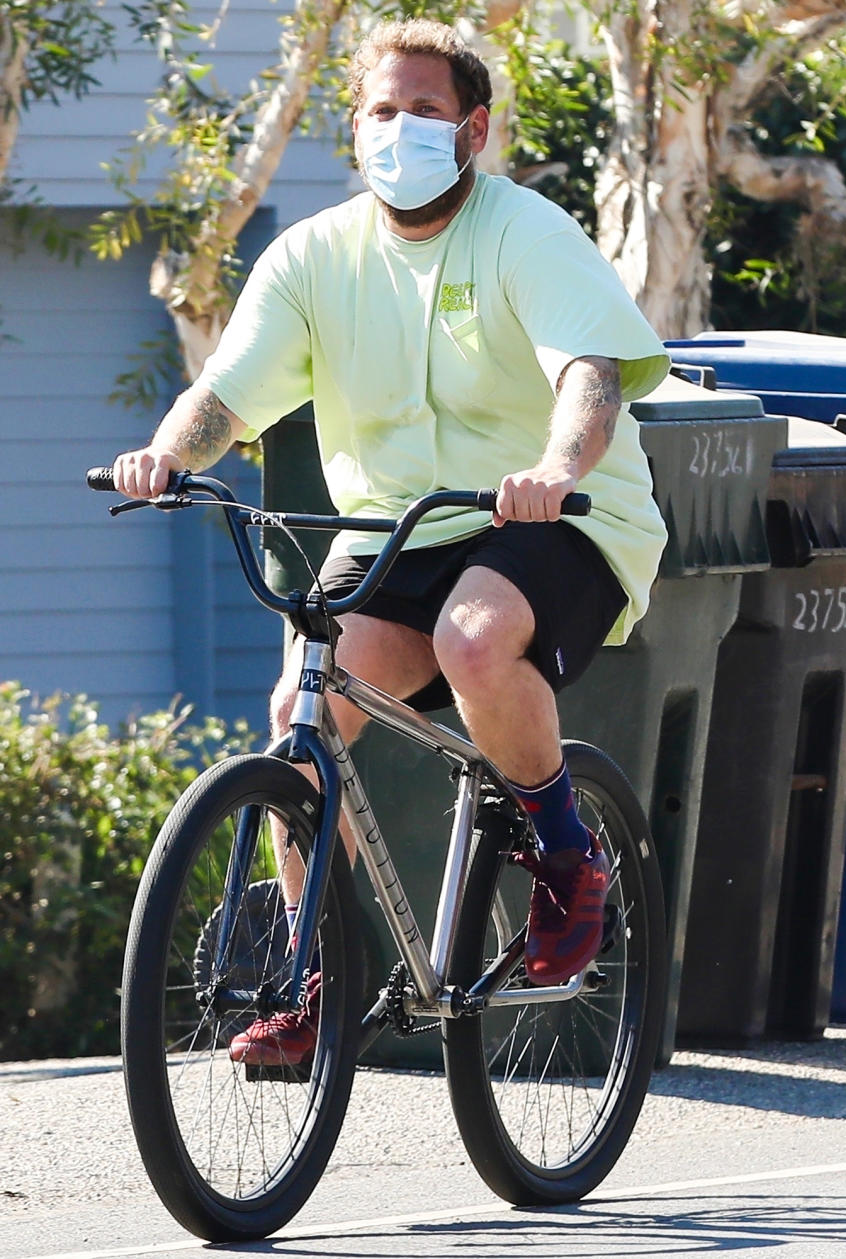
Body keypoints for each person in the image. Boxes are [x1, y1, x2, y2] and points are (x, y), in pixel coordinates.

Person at [113, 17, 670, 1067]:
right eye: (381, 111)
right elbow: (226, 396)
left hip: (554, 517)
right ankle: (320, 977)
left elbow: (589, 377)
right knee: (299, 717)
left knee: (474, 639)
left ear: (474, 131)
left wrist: (556, 467)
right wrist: (167, 454)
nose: (399, 130)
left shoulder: (528, 232)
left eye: (425, 111)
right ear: (353, 129)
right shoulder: (313, 258)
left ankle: (566, 854)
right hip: (394, 531)